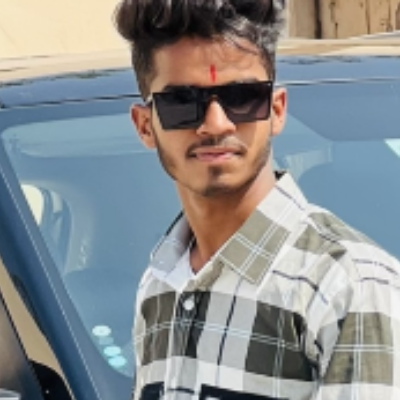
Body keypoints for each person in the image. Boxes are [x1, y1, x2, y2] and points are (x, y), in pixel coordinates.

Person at [114, 1, 400, 399]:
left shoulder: (347, 285)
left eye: (242, 97)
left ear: (277, 110)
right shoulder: (161, 284)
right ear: (145, 126)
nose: (216, 124)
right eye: (182, 102)